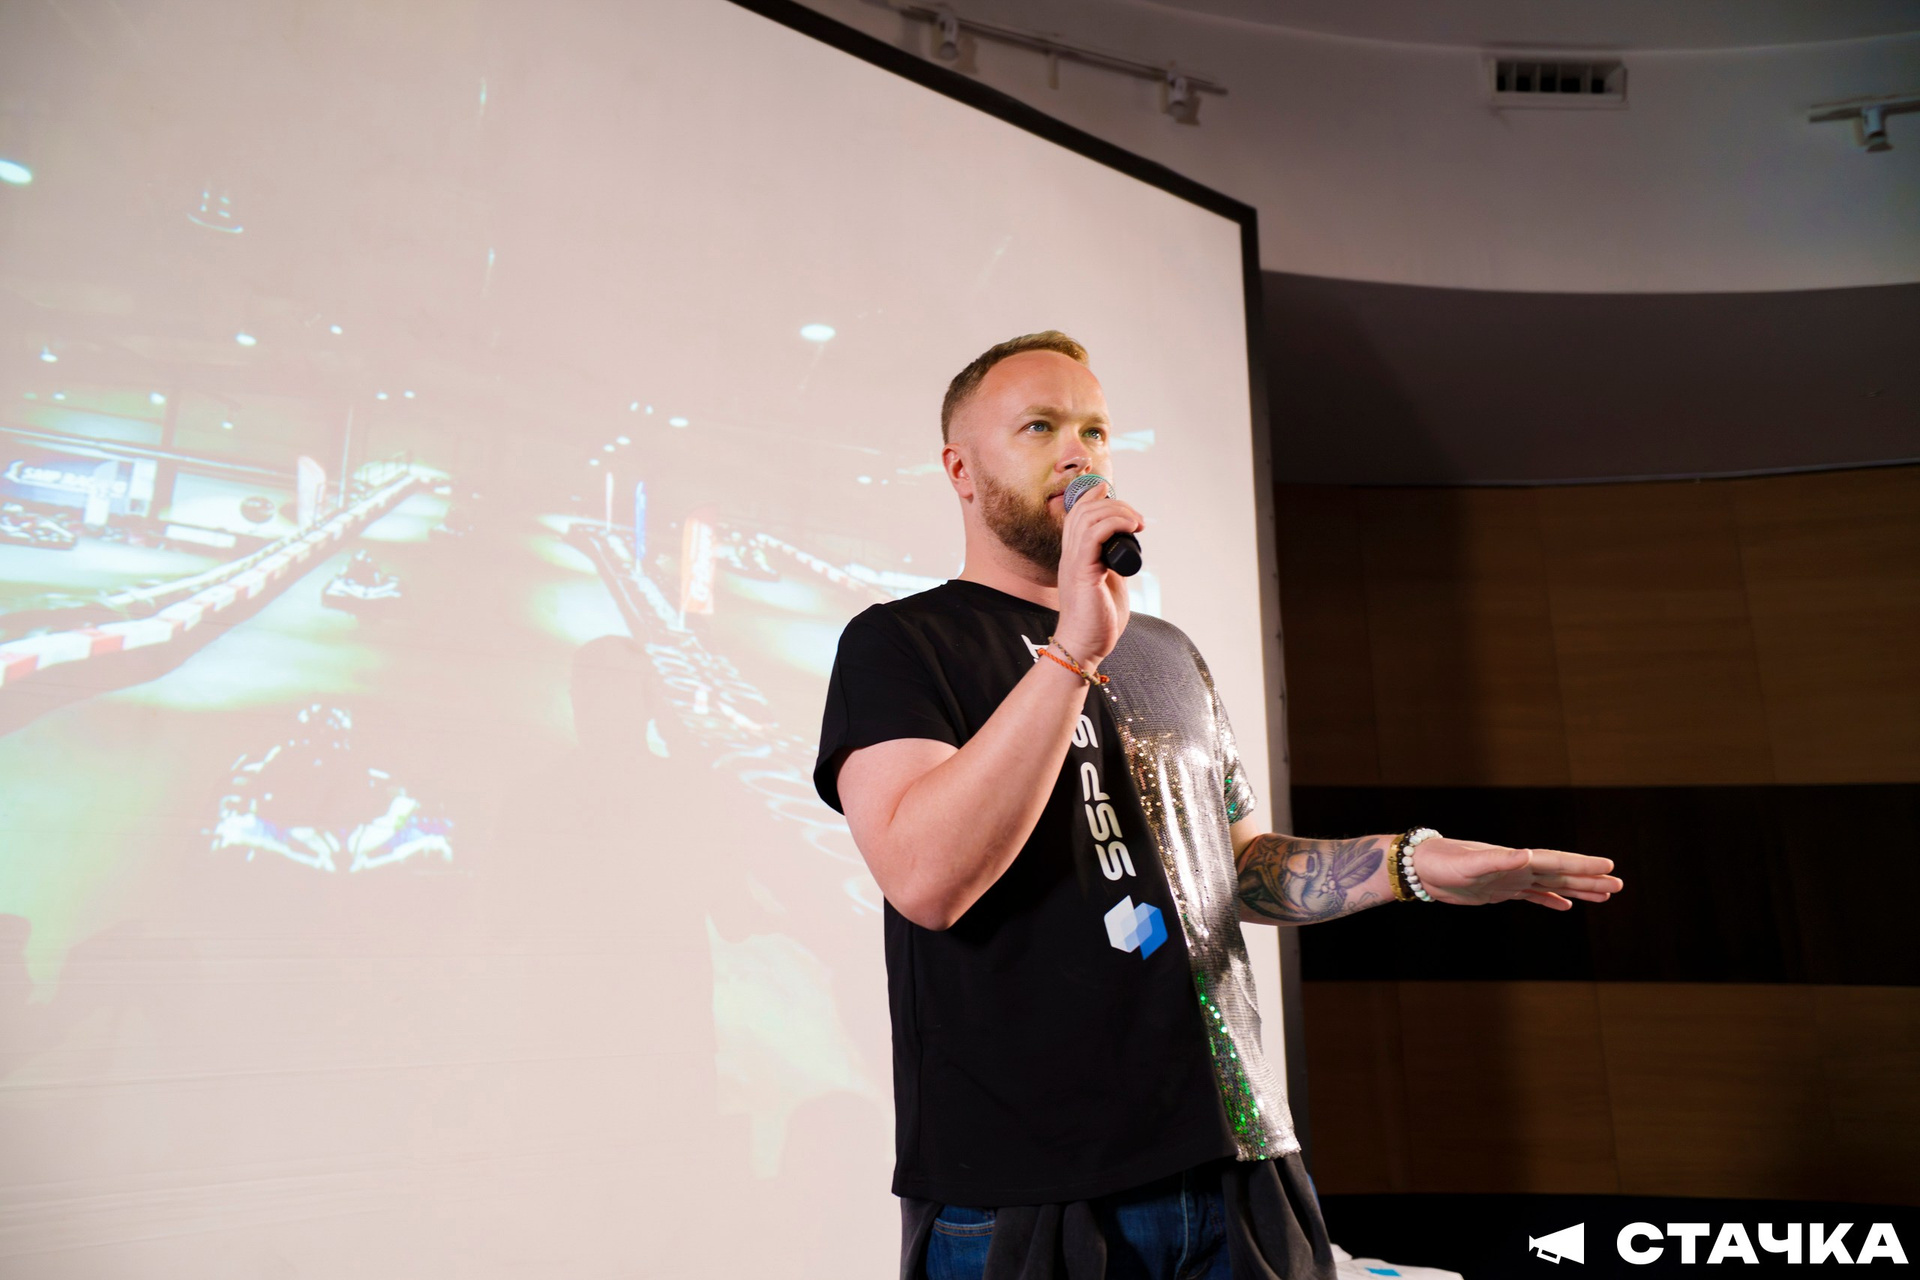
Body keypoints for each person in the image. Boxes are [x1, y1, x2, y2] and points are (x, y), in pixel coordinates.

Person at [812, 332, 1623, 1280]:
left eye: (1094, 430)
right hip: (1029, 1190)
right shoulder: (902, 643)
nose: (1078, 453)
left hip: (1239, 1166)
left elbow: (1234, 869)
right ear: (960, 468)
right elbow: (926, 878)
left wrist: (1407, 865)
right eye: (1039, 427)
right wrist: (1072, 653)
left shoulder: (1164, 650)